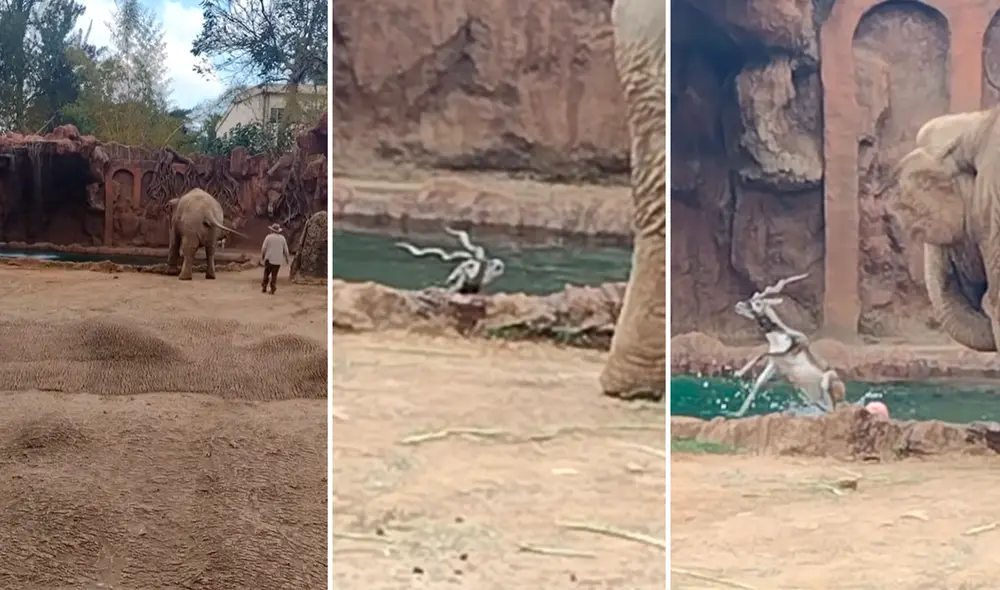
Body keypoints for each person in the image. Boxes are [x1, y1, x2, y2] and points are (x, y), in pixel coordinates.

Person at [259, 223, 290, 294]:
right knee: (274, 275)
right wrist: (287, 259)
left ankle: (264, 286)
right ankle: (273, 288)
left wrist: (263, 256)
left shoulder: (268, 237)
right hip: (278, 260)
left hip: (269, 259)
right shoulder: (282, 238)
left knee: (266, 272)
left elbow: (263, 248)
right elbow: (286, 250)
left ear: (271, 230)